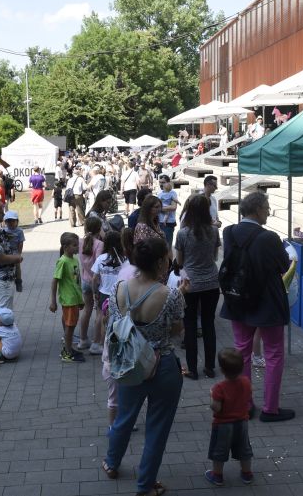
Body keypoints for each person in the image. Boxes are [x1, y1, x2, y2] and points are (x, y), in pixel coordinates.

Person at [102, 237, 186, 496]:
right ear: (161, 261)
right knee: (157, 428)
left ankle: (111, 463)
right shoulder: (170, 294)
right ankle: (145, 484)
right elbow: (177, 330)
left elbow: (112, 320)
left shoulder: (119, 288)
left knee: (124, 417)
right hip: (162, 366)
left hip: (129, 363)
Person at [219, 192, 294, 422]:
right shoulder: (269, 238)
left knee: (242, 352)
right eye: (267, 207)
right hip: (267, 302)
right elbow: (283, 265)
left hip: (238, 299)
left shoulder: (229, 232)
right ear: (258, 209)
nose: (269, 212)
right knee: (273, 354)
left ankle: (245, 405)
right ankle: (270, 408)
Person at [175, 195, 220, 380]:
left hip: (190, 284)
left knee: (190, 324)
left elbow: (179, 261)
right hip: (211, 282)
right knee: (209, 324)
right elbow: (215, 256)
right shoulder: (214, 231)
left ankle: (192, 369)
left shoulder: (183, 233)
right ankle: (210, 367)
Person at [204, 348, 254, 487]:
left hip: (223, 425)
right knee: (244, 449)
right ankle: (247, 473)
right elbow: (248, 396)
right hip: (242, 422)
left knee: (219, 450)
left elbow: (217, 407)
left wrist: (211, 396)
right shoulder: (246, 382)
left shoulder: (219, 388)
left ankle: (217, 475)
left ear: (222, 369)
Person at [48, 232, 86, 363]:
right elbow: (54, 281)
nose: (77, 248)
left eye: (77, 245)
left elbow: (76, 281)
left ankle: (68, 349)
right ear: (65, 247)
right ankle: (67, 352)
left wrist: (80, 299)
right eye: (74, 245)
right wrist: (53, 301)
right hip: (69, 300)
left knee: (70, 325)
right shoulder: (63, 261)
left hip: (74, 299)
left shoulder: (74, 259)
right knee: (70, 327)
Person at [90, 231, 124, 356]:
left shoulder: (101, 258)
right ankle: (115, 345)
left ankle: (99, 344)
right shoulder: (123, 260)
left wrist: (95, 292)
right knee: (117, 320)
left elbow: (94, 278)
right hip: (118, 294)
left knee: (101, 319)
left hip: (103, 292)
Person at [78, 217, 104, 352]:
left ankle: (83, 340)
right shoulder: (99, 244)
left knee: (87, 309)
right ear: (99, 229)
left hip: (85, 280)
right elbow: (98, 265)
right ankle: (96, 342)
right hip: (97, 282)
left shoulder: (79, 241)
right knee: (99, 311)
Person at [3, 211, 25, 293]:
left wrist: (19, 253)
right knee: (7, 266)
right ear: (5, 222)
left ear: (17, 222)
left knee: (17, 266)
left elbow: (21, 242)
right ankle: (8, 280)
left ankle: (18, 281)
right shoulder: (4, 231)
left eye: (13, 221)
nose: (10, 223)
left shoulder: (19, 231)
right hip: (7, 251)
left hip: (15, 251)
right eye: (8, 221)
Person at [156, 175, 179, 245]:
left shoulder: (173, 193)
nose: (161, 184)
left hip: (169, 222)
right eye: (160, 182)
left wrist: (160, 209)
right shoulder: (160, 192)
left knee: (167, 245)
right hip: (159, 221)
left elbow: (174, 207)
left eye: (163, 182)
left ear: (169, 183)